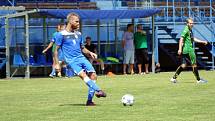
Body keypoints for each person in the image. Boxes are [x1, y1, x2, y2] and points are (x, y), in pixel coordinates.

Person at [54, 13, 106, 106]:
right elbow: (56, 50)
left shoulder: (79, 34)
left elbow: (82, 48)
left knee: (94, 75)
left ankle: (89, 101)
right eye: (77, 21)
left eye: (79, 21)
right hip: (72, 61)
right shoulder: (61, 34)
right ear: (70, 21)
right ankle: (98, 90)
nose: (79, 23)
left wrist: (90, 53)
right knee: (83, 75)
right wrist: (57, 64)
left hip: (81, 58)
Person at [170, 18, 208, 83]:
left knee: (183, 65)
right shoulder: (186, 29)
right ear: (187, 23)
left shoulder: (190, 30)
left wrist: (202, 41)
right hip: (189, 50)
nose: (192, 24)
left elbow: (193, 39)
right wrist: (179, 49)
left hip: (185, 50)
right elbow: (181, 39)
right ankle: (198, 80)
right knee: (194, 64)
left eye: (192, 23)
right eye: (190, 23)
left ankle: (173, 78)